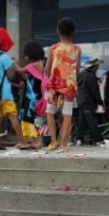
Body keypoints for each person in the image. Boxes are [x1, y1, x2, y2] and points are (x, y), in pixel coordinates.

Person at [0, 28, 32, 151]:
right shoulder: (4, 57)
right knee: (13, 116)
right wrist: (14, 66)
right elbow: (10, 76)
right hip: (5, 94)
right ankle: (22, 141)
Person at [43, 17, 81, 151]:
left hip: (54, 85)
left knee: (50, 112)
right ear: (73, 32)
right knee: (67, 113)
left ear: (58, 31)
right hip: (69, 85)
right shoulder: (77, 49)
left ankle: (54, 142)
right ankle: (64, 143)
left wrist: (51, 77)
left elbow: (46, 69)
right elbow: (76, 71)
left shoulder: (53, 48)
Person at [18, 41, 46, 149]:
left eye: (26, 55)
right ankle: (34, 140)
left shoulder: (33, 65)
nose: (26, 57)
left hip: (32, 96)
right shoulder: (40, 64)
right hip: (34, 94)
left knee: (29, 117)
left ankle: (37, 141)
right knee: (31, 118)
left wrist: (12, 62)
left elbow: (19, 70)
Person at [76, 58, 105, 145]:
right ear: (93, 67)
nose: (98, 68)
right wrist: (101, 103)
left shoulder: (81, 74)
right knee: (92, 122)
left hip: (81, 102)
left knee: (82, 122)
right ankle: (98, 140)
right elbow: (95, 92)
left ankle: (79, 139)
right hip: (88, 102)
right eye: (97, 66)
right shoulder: (91, 77)